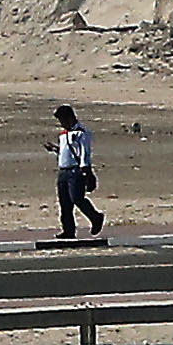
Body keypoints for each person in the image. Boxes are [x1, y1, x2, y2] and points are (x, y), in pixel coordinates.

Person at [51, 104, 103, 242]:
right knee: (64, 203)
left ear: (70, 117)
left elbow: (84, 153)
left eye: (63, 120)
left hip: (76, 170)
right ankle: (68, 230)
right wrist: (55, 150)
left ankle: (95, 217)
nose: (61, 123)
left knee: (77, 198)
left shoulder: (81, 132)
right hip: (63, 170)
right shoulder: (63, 134)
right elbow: (65, 152)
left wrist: (86, 170)